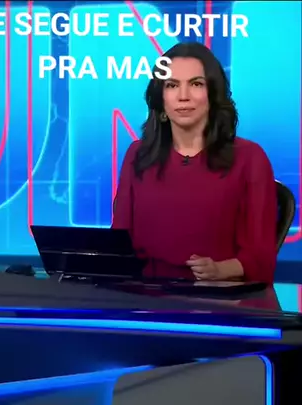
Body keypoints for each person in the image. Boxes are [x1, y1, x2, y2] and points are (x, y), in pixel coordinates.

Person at [112, 42, 277, 283]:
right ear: (161, 100)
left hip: (217, 295)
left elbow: (261, 258)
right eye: (172, 85)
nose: (183, 96)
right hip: (146, 295)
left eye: (196, 84)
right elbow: (118, 244)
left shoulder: (250, 158)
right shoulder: (138, 155)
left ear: (213, 95)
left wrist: (219, 270)